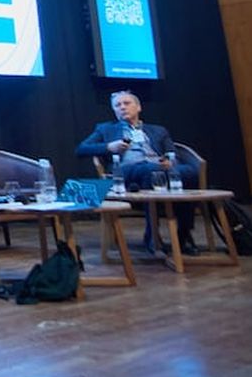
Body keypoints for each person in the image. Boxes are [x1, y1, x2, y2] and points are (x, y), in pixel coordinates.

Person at [75, 90, 200, 255]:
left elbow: (172, 153)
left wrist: (170, 161)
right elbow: (81, 149)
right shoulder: (106, 129)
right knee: (149, 170)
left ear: (138, 107)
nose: (122, 107)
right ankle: (152, 235)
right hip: (125, 171)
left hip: (158, 168)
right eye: (117, 105)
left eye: (126, 103)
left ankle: (183, 234)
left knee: (190, 171)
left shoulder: (158, 130)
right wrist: (109, 147)